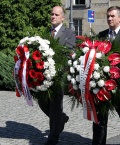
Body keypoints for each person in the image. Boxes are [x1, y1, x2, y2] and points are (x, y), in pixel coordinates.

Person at [92, 6, 120, 145]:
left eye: (112, 16)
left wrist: (115, 68)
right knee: (100, 118)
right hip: (101, 85)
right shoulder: (101, 35)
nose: (109, 19)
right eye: (108, 16)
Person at [37, 6, 76, 145]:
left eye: (56, 14)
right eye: (52, 14)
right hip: (45, 76)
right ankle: (61, 119)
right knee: (42, 102)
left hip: (59, 75)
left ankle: (53, 137)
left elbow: (70, 51)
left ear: (62, 18)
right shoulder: (47, 33)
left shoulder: (69, 33)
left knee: (55, 106)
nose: (53, 16)